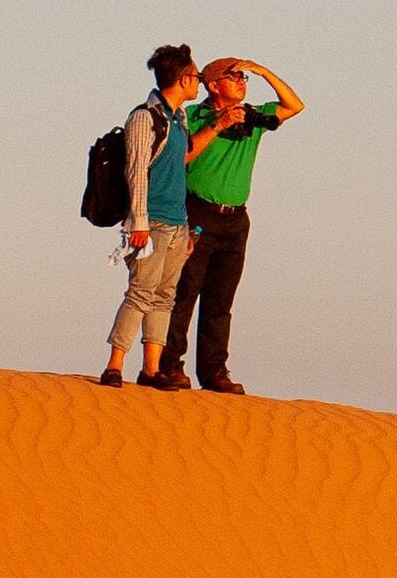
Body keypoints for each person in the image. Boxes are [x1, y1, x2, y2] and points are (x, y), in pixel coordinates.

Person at [167, 56, 305, 394]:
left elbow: (294, 105)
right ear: (213, 85)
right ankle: (170, 365)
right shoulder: (194, 116)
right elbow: (183, 155)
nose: (242, 82)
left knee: (220, 300)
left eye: (244, 77)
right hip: (197, 211)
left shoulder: (254, 117)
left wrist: (264, 70)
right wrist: (218, 124)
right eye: (234, 77)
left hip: (235, 219)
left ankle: (214, 371)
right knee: (184, 291)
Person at [103, 44, 207, 390]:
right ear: (182, 78)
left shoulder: (180, 119)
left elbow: (179, 170)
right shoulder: (144, 117)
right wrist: (139, 222)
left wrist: (188, 229)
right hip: (151, 222)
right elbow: (136, 171)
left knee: (165, 296)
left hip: (177, 223)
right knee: (140, 292)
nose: (199, 83)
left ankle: (150, 369)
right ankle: (114, 364)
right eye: (196, 77)